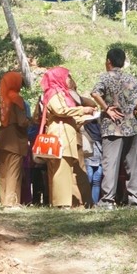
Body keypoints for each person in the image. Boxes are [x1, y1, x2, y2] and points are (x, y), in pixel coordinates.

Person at [88, 46, 137, 209]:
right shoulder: (132, 79)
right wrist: (131, 106)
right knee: (133, 165)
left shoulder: (106, 77)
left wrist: (106, 108)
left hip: (112, 127)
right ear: (123, 62)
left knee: (110, 164)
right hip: (132, 126)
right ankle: (136, 200)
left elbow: (95, 93)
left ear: (108, 62)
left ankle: (108, 201)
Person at [34, 67, 95, 208]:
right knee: (61, 170)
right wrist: (82, 110)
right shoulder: (54, 93)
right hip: (61, 135)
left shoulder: (61, 93)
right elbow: (60, 110)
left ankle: (65, 202)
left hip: (67, 135)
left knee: (65, 170)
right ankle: (61, 203)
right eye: (67, 76)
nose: (69, 79)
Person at [0, 70, 30, 207]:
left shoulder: (3, 99)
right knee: (14, 171)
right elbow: (22, 122)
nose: (21, 85)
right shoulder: (17, 99)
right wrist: (31, 121)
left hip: (2, 138)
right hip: (15, 139)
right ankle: (12, 202)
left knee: (3, 172)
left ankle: (4, 201)